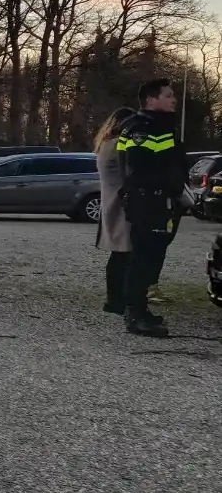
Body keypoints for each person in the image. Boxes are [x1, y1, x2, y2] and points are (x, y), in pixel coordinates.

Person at [116, 78, 187, 337]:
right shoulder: (141, 129)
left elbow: (172, 164)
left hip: (161, 202)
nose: (174, 99)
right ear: (150, 100)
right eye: (168, 95)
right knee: (143, 258)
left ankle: (142, 309)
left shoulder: (161, 126)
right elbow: (141, 169)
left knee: (154, 258)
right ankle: (135, 314)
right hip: (147, 202)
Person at [94, 106, 137, 317]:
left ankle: (115, 299)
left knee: (120, 255)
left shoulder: (105, 144)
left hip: (112, 202)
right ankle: (117, 299)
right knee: (123, 255)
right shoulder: (118, 144)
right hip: (121, 204)